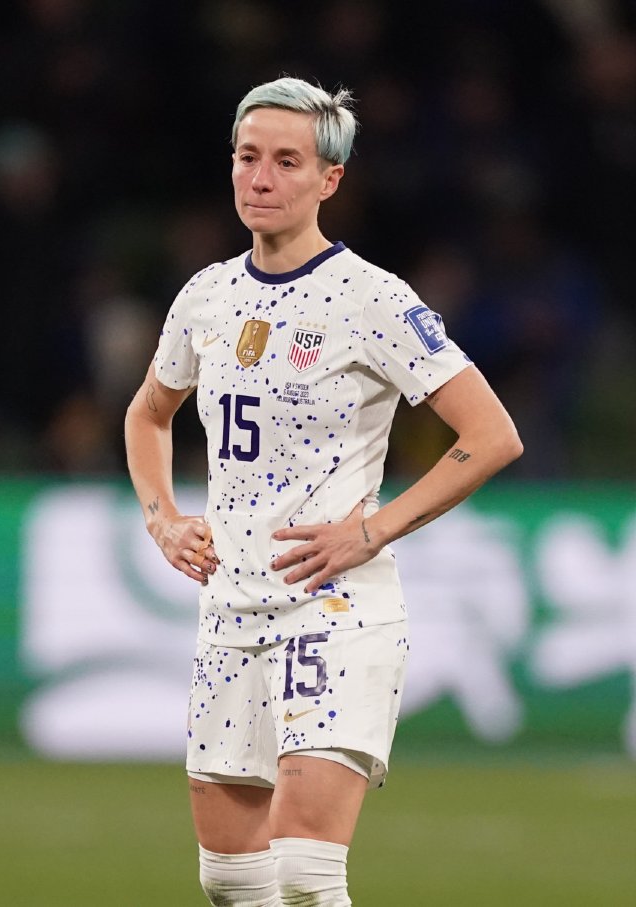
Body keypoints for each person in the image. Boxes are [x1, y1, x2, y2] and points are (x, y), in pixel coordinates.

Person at [123, 77, 522, 906]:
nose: (260, 178)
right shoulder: (206, 295)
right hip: (231, 610)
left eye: (286, 161)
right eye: (247, 157)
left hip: (333, 609)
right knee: (232, 882)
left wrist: (371, 532)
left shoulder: (373, 299)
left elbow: (491, 436)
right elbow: (148, 412)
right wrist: (162, 519)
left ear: (329, 180)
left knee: (305, 875)